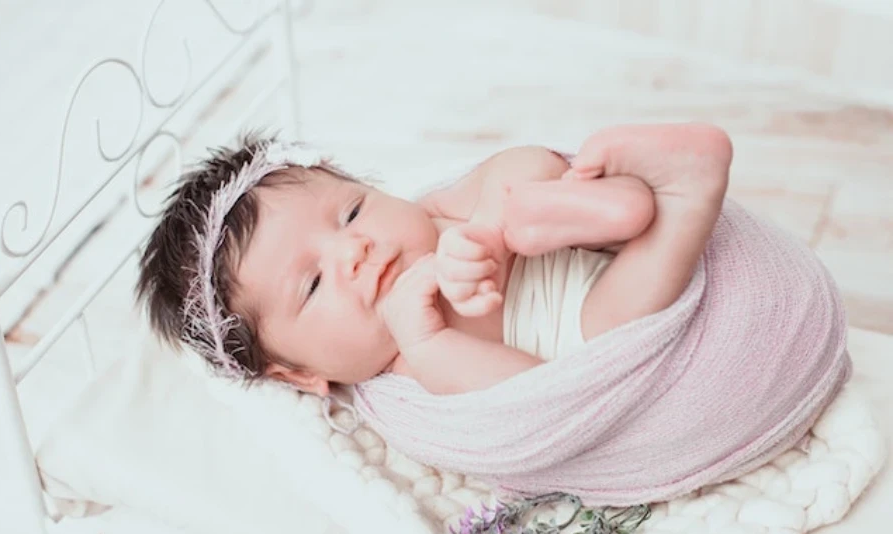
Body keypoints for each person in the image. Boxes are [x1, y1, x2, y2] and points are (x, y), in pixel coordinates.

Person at [136, 122, 732, 399]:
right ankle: (672, 200)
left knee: (521, 176)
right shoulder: (407, 363)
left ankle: (616, 208)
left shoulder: (433, 214)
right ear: (298, 373)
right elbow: (531, 396)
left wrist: (490, 230)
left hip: (553, 240)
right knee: (607, 321)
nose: (355, 251)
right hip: (590, 317)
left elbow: (514, 163)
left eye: (350, 213)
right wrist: (427, 341)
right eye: (314, 284)